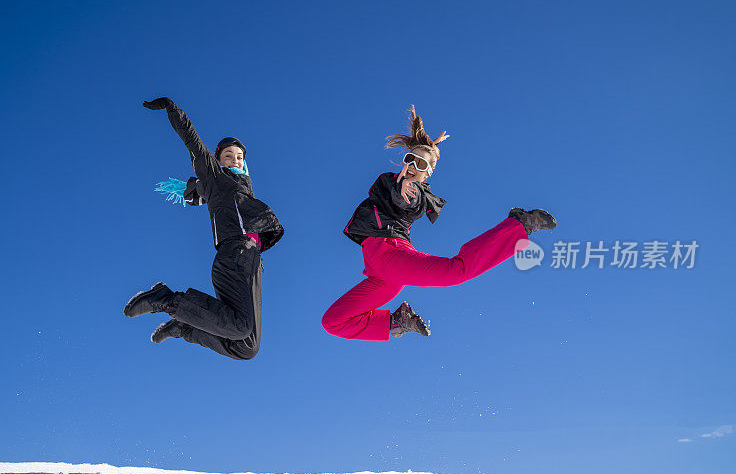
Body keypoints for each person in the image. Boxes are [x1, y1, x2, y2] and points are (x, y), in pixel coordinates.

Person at [321, 106, 556, 341]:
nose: (413, 167)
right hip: (381, 271)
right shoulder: (388, 181)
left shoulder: (418, 193)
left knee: (456, 272)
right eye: (410, 159)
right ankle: (398, 322)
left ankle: (520, 224)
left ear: (429, 173)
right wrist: (401, 184)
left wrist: (404, 192)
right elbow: (391, 190)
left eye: (421, 165)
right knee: (333, 321)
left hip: (390, 255)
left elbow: (409, 202)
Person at [124, 97, 284, 360]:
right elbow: (194, 144)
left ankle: (184, 327)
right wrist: (173, 110)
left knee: (247, 347)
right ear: (218, 160)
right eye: (228, 155)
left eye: (240, 157)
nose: (235, 160)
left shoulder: (245, 188)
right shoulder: (215, 177)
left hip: (252, 263)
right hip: (234, 255)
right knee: (241, 327)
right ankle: (165, 299)